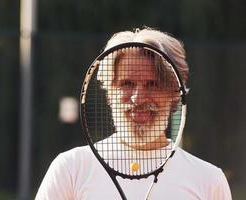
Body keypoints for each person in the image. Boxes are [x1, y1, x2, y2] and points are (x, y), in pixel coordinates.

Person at [35, 27, 232, 200]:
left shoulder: (209, 180)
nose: (138, 98)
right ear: (110, 92)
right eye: (127, 84)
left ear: (174, 92)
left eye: (152, 84)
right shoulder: (71, 168)